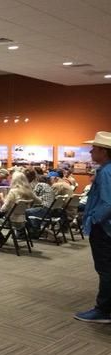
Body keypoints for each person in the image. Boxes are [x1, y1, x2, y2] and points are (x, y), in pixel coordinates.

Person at [75, 131, 111, 323]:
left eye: (94, 148)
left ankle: (103, 310)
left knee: (105, 269)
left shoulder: (106, 172)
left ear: (103, 151)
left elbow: (108, 203)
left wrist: (93, 219)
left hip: (104, 228)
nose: (90, 151)